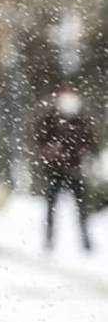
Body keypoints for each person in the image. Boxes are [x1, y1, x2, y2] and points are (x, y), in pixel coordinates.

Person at [34, 87, 97, 253]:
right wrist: (50, 152)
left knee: (82, 209)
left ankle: (86, 242)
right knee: (51, 208)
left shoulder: (81, 122)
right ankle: (49, 240)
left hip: (75, 171)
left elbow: (90, 144)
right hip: (55, 172)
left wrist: (84, 155)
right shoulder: (50, 121)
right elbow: (40, 140)